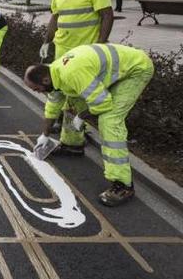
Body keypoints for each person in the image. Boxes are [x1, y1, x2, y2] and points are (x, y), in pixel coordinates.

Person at [24, 43, 154, 206]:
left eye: (37, 89)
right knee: (72, 102)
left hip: (135, 70)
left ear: (45, 79)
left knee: (109, 121)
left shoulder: (72, 73)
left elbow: (102, 103)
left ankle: (123, 185)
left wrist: (82, 116)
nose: (38, 92)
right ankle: (72, 145)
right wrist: (45, 135)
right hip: (115, 70)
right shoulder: (54, 75)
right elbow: (52, 107)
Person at [39, 0, 114, 151]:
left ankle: (73, 141)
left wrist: (100, 45)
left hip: (84, 55)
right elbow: (55, 19)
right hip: (62, 52)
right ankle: (66, 126)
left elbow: (107, 15)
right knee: (58, 92)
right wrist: (47, 42)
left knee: (76, 96)